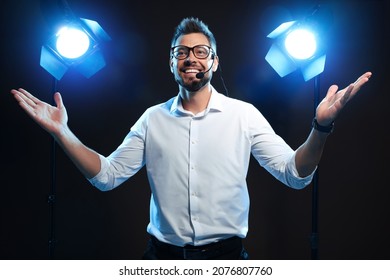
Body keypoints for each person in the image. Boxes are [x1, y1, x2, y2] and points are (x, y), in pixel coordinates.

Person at [11, 17, 371, 260]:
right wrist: (62, 131)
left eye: (201, 51)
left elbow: (295, 174)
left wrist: (321, 127)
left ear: (214, 62)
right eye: (181, 52)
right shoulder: (152, 119)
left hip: (227, 259)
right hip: (161, 258)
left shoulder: (243, 115)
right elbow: (107, 176)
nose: (190, 58)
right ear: (171, 63)